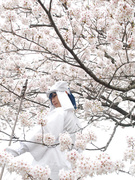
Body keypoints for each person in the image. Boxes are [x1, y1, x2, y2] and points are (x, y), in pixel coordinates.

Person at [6, 81, 80, 180]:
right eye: (51, 97)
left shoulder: (60, 112)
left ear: (64, 94)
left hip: (50, 164)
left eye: (55, 95)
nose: (53, 100)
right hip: (67, 169)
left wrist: (13, 151)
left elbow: (42, 132)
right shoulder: (76, 119)